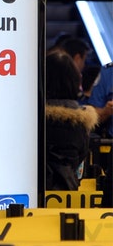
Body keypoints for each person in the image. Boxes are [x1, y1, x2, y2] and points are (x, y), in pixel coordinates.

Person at [45, 50, 98, 190]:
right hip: (68, 190)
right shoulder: (81, 121)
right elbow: (81, 157)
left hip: (31, 192)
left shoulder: (31, 119)